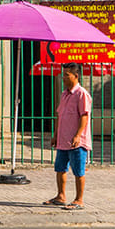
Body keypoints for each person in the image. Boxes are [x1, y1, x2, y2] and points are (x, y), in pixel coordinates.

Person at [44, 63, 92, 210]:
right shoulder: (64, 94)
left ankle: (79, 199)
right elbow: (59, 115)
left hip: (77, 142)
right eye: (63, 74)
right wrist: (55, 135)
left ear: (75, 76)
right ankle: (61, 196)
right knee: (60, 168)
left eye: (66, 75)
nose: (63, 78)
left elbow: (84, 116)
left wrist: (78, 135)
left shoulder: (81, 94)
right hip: (63, 140)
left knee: (78, 170)